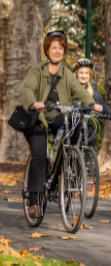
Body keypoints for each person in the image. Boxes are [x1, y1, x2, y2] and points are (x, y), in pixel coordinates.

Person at [22, 31, 102, 218]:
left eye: (61, 48)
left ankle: (67, 160)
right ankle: (34, 201)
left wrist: (92, 104)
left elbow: (78, 92)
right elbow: (28, 89)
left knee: (75, 118)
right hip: (38, 118)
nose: (57, 51)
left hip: (58, 117)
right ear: (47, 50)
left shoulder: (66, 74)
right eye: (54, 47)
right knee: (40, 154)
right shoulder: (37, 71)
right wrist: (34, 103)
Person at [73, 58, 111, 147]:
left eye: (86, 73)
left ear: (90, 75)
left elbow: (100, 101)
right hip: (72, 120)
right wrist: (89, 107)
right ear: (76, 74)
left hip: (83, 121)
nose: (84, 76)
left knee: (91, 132)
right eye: (81, 73)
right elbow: (72, 102)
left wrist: (108, 112)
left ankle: (88, 159)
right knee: (73, 137)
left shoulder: (92, 86)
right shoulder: (71, 85)